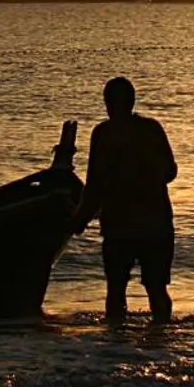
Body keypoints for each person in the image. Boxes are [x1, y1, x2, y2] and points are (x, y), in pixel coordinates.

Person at [71, 76, 177, 322]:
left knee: (116, 289)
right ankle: (161, 336)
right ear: (132, 102)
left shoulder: (103, 134)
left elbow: (94, 186)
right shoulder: (152, 129)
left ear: (107, 103)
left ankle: (116, 340)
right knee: (157, 289)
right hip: (156, 224)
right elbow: (171, 172)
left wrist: (79, 220)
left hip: (119, 226)